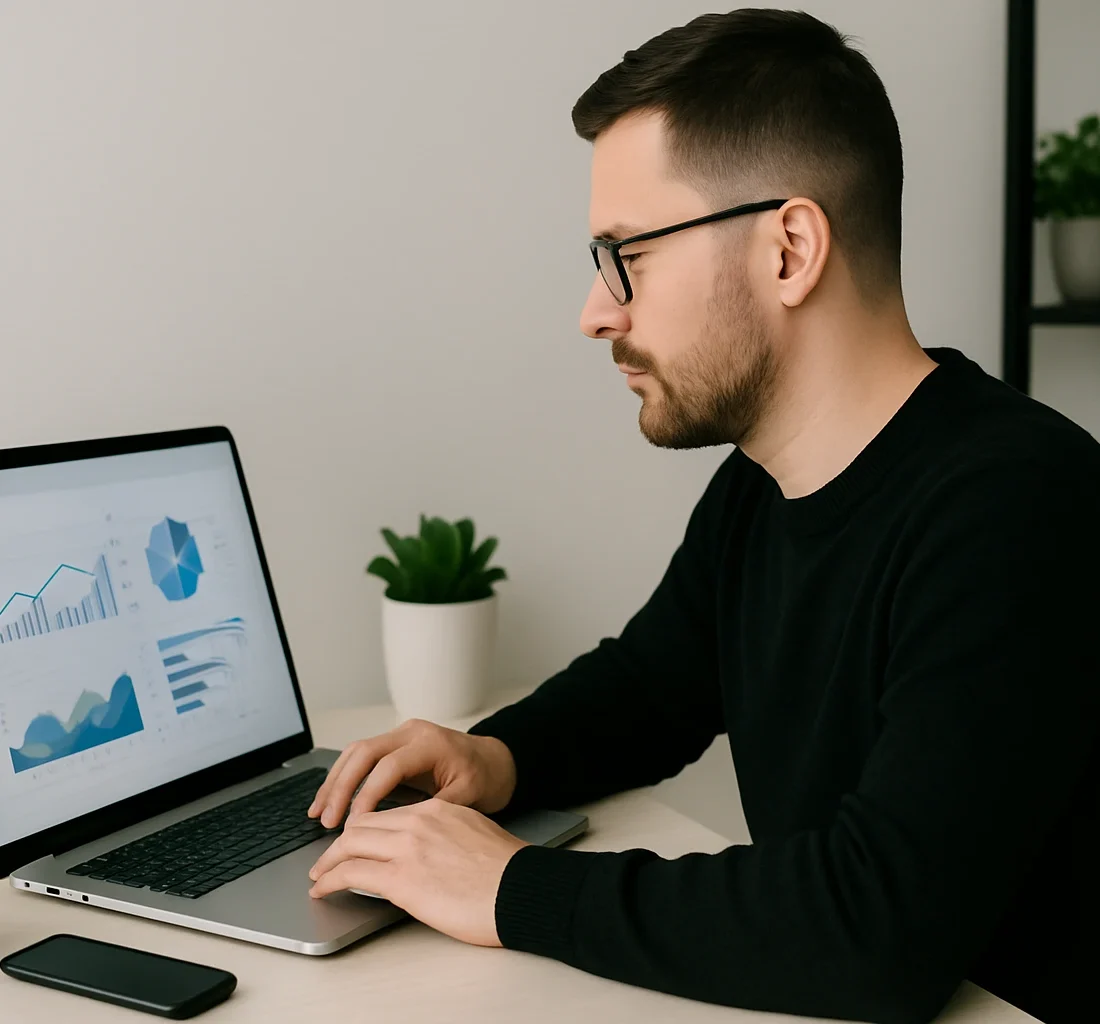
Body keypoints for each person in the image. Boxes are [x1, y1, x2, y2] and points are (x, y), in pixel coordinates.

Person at [306, 10, 1100, 1024]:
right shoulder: (761, 486)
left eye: (625, 252)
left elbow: (875, 929)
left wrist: (510, 889)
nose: (595, 311)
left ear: (788, 249)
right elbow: (652, 685)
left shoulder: (1015, 506)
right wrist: (495, 757)